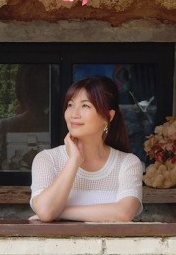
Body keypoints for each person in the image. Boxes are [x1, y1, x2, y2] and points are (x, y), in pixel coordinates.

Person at [29, 75, 143, 222]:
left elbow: (124, 213)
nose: (74, 114)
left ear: (108, 116)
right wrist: (74, 161)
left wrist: (60, 212)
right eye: (70, 105)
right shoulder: (47, 159)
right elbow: (45, 211)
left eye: (85, 105)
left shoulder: (127, 163)